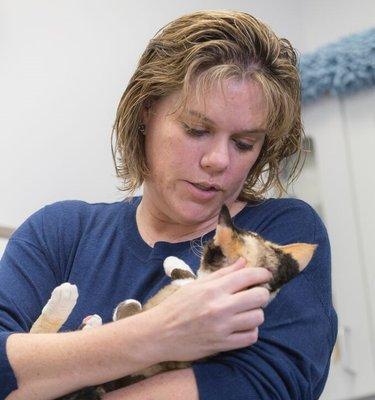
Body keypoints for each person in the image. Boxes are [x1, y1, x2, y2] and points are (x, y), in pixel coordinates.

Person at [0, 9, 337, 400]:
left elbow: (264, 386)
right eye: (196, 130)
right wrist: (160, 332)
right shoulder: (60, 233)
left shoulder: (275, 235)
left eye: (244, 143)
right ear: (147, 113)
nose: (219, 160)